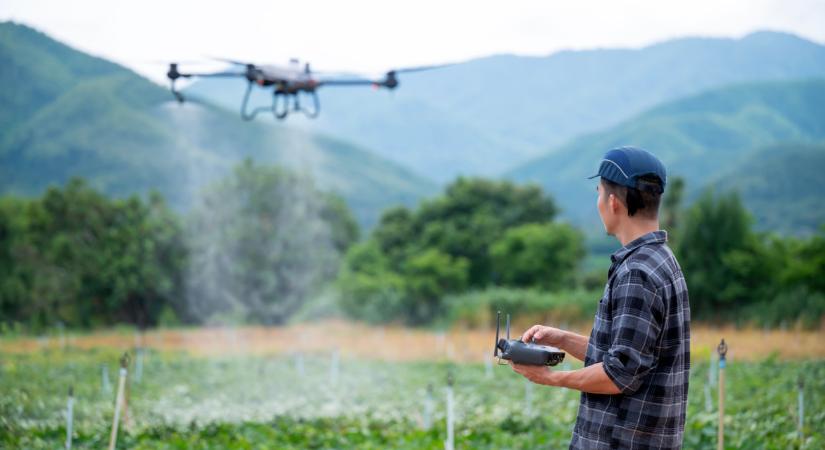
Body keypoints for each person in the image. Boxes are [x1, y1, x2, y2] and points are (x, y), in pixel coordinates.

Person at [510, 146, 690, 449]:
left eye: (598, 193)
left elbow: (620, 375)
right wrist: (563, 339)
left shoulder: (637, 272)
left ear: (613, 202)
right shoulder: (661, 260)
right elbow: (629, 358)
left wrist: (551, 378)